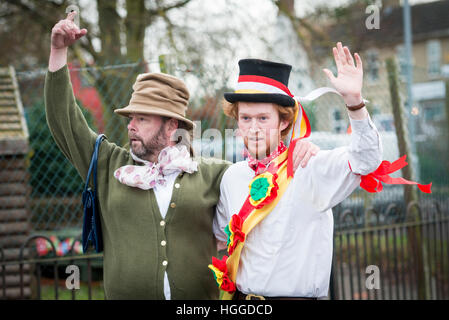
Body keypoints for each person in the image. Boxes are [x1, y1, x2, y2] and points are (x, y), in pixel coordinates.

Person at [45, 11, 319, 299]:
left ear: (171, 125)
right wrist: (58, 52)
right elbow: (65, 121)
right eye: (131, 118)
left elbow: (269, 176)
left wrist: (300, 150)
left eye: (143, 119)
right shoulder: (107, 164)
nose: (131, 126)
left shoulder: (215, 174)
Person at [210, 45, 385, 300]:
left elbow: (366, 160)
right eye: (245, 118)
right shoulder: (232, 177)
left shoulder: (308, 165)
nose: (254, 128)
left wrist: (354, 103)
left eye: (263, 118)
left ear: (283, 122)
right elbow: (220, 239)